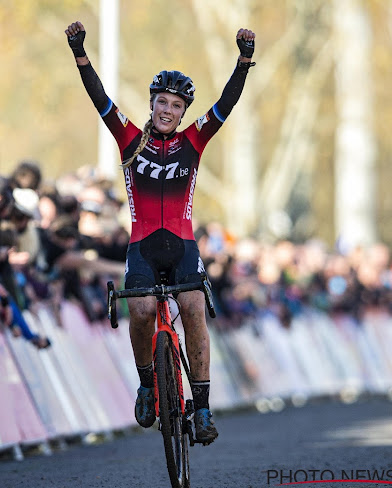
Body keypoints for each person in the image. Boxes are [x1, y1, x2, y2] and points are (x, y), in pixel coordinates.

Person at [65, 20, 256, 444]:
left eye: (175, 105)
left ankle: (202, 408)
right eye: (161, 102)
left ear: (184, 111)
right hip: (143, 247)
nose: (166, 110)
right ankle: (148, 383)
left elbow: (227, 102)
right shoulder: (129, 137)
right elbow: (99, 98)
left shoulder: (195, 139)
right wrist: (80, 52)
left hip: (183, 245)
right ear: (152, 104)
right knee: (142, 312)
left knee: (192, 308)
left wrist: (243, 61)